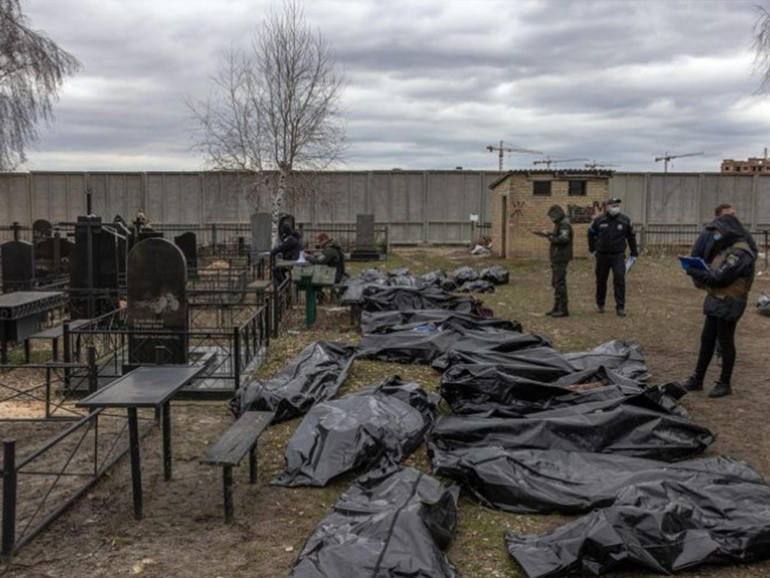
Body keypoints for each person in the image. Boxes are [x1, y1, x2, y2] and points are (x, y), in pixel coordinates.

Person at [681, 213, 756, 398]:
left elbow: (720, 277)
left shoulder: (740, 252)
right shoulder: (727, 249)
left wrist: (695, 272)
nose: (715, 235)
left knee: (725, 341)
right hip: (717, 299)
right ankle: (697, 378)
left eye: (717, 231)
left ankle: (725, 382)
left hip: (730, 302)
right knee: (707, 339)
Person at [588, 197, 638, 316]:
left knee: (619, 280)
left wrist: (634, 252)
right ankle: (600, 304)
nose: (615, 207)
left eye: (617, 205)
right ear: (607, 206)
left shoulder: (625, 220)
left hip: (618, 256)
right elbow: (591, 233)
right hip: (602, 256)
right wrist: (592, 249)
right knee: (601, 281)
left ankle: (620, 307)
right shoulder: (599, 220)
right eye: (612, 205)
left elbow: (631, 237)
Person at [691, 203, 758, 262]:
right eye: (727, 215)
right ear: (718, 217)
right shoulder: (708, 233)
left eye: (732, 214)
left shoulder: (743, 233)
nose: (732, 217)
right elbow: (696, 253)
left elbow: (753, 252)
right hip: (711, 271)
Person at [543, 205, 573, 317]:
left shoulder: (564, 224)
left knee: (559, 282)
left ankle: (563, 309)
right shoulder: (560, 224)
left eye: (552, 216)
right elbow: (559, 236)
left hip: (561, 257)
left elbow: (564, 239)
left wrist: (551, 238)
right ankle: (557, 307)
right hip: (557, 257)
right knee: (555, 282)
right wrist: (550, 234)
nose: (551, 219)